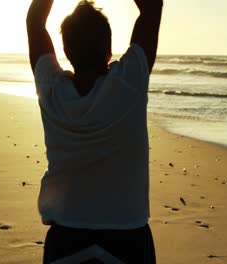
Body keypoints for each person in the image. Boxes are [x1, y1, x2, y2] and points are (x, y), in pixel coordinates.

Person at [27, 0, 163, 262]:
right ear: (109, 51)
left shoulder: (52, 91)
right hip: (127, 239)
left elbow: (34, 22)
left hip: (65, 240)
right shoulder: (128, 84)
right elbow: (152, 7)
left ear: (66, 50)